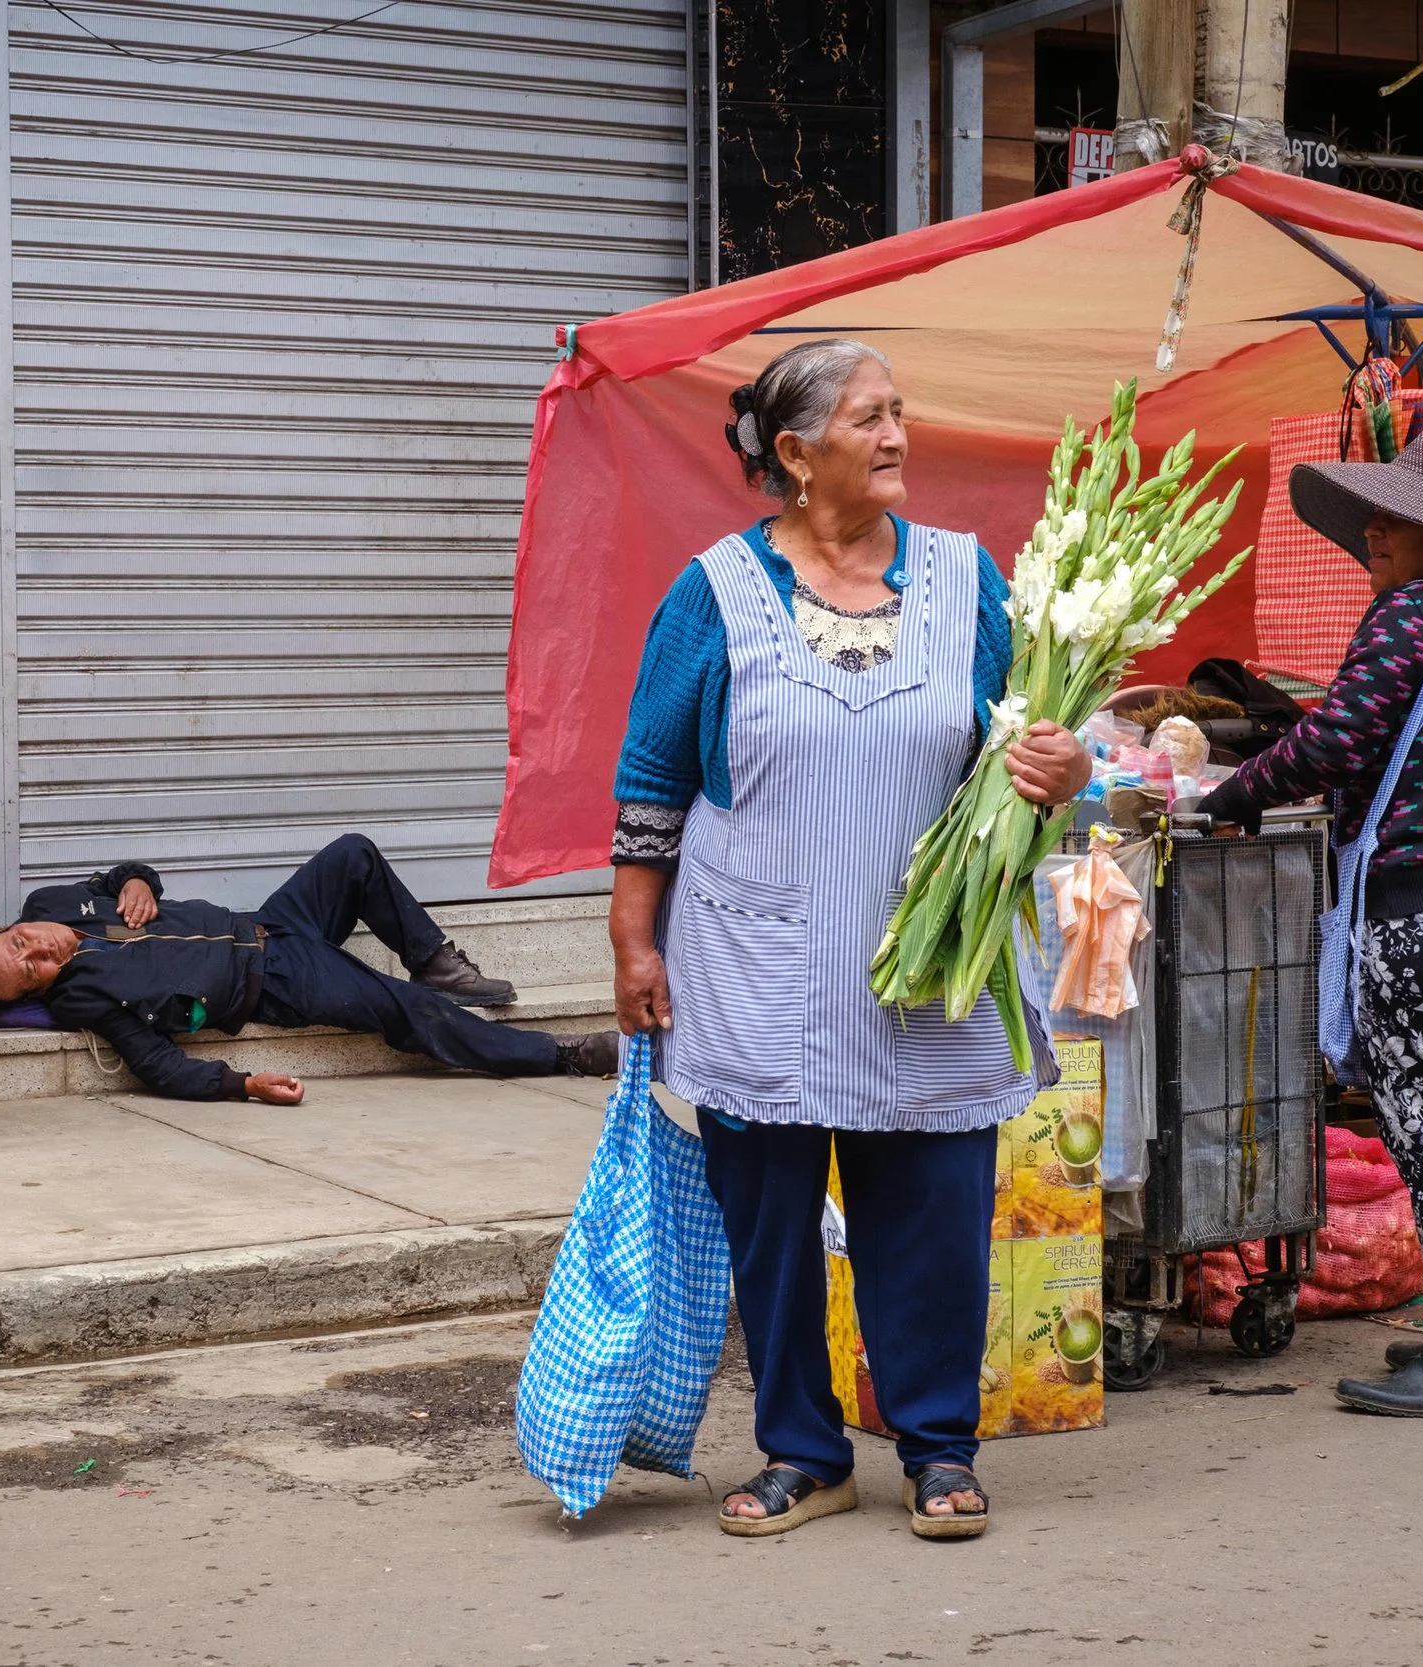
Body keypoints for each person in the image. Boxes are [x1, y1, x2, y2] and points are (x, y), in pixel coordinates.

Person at [611, 339, 1090, 1542]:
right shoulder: (713, 589)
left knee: (928, 1218)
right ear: (794, 451)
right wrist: (632, 940)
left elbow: (1021, 737)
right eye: (871, 418)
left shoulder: (964, 577)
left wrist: (1055, 768)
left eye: (899, 415)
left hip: (931, 966)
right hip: (754, 961)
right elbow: (651, 783)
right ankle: (804, 1451)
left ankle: (936, 1445)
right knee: (769, 1226)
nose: (896, 438)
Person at [1201, 427, 1423, 1417]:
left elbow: (1336, 738)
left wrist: (1229, 796)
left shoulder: (1413, 614)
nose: (1371, 528)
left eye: (1393, 515)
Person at [0, 833, 618, 1103]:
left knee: (353, 855)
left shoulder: (51, 901)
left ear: (12, 924)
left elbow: (128, 871)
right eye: (30, 969)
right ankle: (563, 1055)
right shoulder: (85, 996)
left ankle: (435, 961)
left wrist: (137, 879)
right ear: (40, 989)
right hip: (274, 980)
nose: (37, 950)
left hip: (269, 923)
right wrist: (240, 1083)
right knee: (406, 1012)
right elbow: (155, 1063)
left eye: (20, 941)